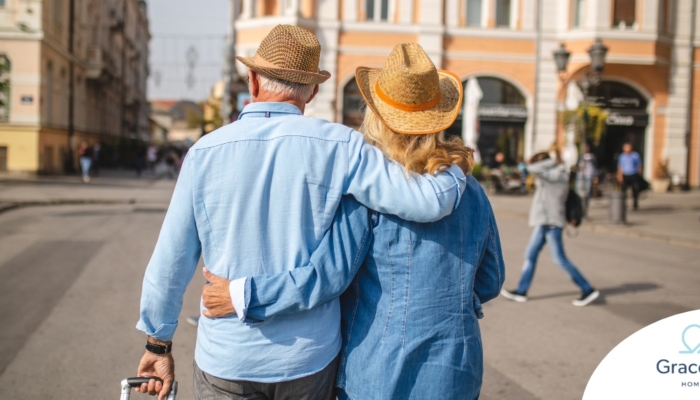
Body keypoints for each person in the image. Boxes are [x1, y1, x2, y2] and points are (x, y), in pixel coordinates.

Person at [134, 27, 467, 400]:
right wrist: (455, 165)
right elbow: (427, 202)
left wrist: (157, 344)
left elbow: (169, 263)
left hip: (227, 357)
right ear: (312, 91)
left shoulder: (204, 152)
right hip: (308, 358)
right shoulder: (342, 146)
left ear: (253, 81)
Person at [200, 43, 505, 400]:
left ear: (376, 115)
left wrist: (243, 294)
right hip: (456, 370)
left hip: (378, 368)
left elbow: (325, 278)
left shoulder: (369, 193)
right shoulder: (470, 191)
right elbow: (490, 280)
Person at [501, 148, 600, 307]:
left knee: (559, 259)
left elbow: (531, 168)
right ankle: (521, 290)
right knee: (530, 254)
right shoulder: (551, 175)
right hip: (544, 222)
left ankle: (587, 289)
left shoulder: (557, 176)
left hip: (552, 223)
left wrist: (545, 162)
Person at [617, 142, 643, 211]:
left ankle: (635, 203)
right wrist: (620, 175)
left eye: (628, 147)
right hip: (625, 174)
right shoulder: (622, 156)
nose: (627, 149)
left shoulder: (635, 155)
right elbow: (620, 166)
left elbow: (639, 165)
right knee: (623, 190)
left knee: (635, 189)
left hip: (633, 174)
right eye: (625, 147)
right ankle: (623, 204)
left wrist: (639, 174)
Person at [576, 144, 598, 214]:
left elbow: (595, 167)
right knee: (578, 193)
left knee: (587, 193)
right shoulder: (580, 156)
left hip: (588, 176)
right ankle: (579, 208)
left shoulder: (592, 157)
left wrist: (595, 176)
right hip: (580, 177)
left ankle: (585, 208)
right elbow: (576, 166)